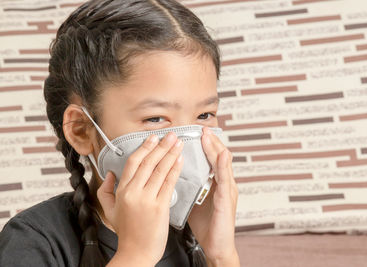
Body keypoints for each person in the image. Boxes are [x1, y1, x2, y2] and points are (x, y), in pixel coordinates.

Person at [0, 0, 240, 266]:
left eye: (204, 115)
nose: (183, 143)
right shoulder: (34, 239)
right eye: (155, 118)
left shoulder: (194, 235)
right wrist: (136, 254)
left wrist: (221, 255)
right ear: (81, 130)